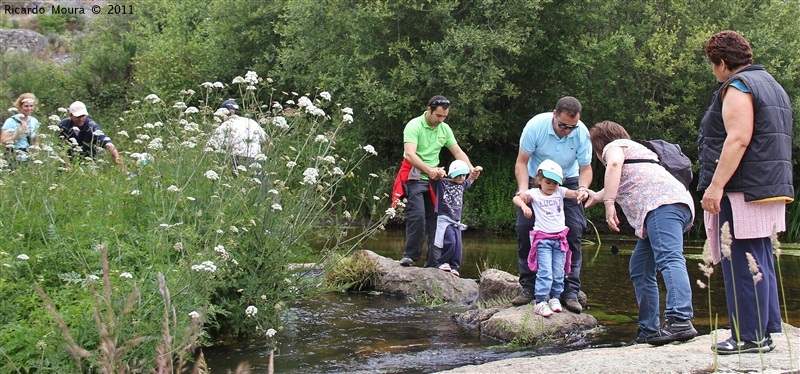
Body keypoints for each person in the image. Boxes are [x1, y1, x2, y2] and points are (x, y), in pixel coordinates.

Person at [699, 30, 793, 355]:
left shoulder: (738, 86)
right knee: (760, 256)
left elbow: (738, 138)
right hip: (768, 186)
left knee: (740, 261)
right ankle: (764, 331)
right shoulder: (772, 84)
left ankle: (747, 336)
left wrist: (715, 186)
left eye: (713, 65)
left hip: (743, 189)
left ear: (723, 63)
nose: (714, 72)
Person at [586, 120, 697, 345]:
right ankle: (648, 330)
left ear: (599, 145)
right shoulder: (636, 151)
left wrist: (609, 203)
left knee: (669, 258)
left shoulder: (613, 147)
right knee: (640, 266)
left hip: (662, 206)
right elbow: (621, 180)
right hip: (672, 205)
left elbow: (614, 166)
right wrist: (596, 196)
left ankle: (680, 319)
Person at [512, 96, 592, 313]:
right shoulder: (535, 126)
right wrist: (523, 190)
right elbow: (522, 161)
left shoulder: (581, 133)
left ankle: (570, 291)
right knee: (524, 228)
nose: (567, 130)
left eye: (571, 127)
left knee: (574, 230)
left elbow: (586, 168)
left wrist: (583, 189)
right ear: (554, 114)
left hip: (568, 181)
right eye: (563, 125)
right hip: (537, 179)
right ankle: (529, 287)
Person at [394, 95, 474, 268]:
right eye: (438, 116)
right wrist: (429, 170)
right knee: (418, 216)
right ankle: (410, 256)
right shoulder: (414, 125)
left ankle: (434, 262)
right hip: (414, 177)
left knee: (436, 220)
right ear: (429, 110)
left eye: (444, 117)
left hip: (434, 180)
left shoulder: (444, 129)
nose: (441, 120)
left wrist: (471, 169)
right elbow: (410, 154)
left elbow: (458, 152)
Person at [513, 159, 588, 317]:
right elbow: (517, 198)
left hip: (560, 240)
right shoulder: (534, 193)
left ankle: (555, 297)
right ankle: (540, 301)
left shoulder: (559, 192)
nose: (551, 186)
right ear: (539, 180)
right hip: (543, 240)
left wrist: (580, 192)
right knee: (545, 271)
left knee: (559, 272)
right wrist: (525, 206)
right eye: (548, 182)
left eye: (555, 183)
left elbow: (572, 193)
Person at [430, 160, 483, 277]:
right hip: (445, 219)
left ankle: (454, 266)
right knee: (450, 241)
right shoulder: (442, 183)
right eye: (459, 175)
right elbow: (433, 177)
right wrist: (439, 171)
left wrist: (475, 172)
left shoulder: (462, 184)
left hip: (456, 221)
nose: (462, 178)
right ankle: (442, 262)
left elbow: (470, 180)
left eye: (464, 175)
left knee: (458, 245)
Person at [59, 101, 124, 170]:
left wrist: (116, 156)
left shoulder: (91, 125)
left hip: (90, 162)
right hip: (69, 160)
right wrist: (66, 161)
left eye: (83, 116)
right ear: (71, 115)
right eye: (78, 116)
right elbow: (60, 145)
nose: (81, 119)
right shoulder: (63, 125)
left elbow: (105, 142)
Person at [207, 99, 270, 168]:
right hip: (255, 160)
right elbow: (268, 142)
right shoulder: (251, 122)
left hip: (234, 159)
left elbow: (213, 145)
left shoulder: (225, 125)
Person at [2, 93, 40, 163]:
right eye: (26, 106)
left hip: (28, 158)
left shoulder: (34, 121)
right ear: (20, 106)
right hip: (12, 157)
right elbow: (3, 141)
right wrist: (18, 133)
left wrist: (36, 150)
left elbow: (36, 140)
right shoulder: (11, 121)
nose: (29, 109)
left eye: (31, 106)